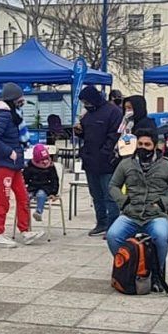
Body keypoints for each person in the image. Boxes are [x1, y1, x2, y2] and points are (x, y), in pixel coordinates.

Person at [107, 127, 168, 289]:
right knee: (113, 235)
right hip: (131, 213)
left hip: (155, 215)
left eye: (147, 144)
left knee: (161, 236)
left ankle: (156, 273)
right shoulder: (126, 163)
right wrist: (124, 202)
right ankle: (129, 265)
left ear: (155, 146)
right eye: (140, 144)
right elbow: (113, 185)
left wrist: (163, 203)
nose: (142, 147)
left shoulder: (167, 165)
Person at [0, 83, 43, 246]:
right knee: (3, 199)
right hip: (2, 163)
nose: (22, 101)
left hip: (14, 164)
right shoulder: (4, 115)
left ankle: (25, 230)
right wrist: (9, 152)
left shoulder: (13, 114)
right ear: (13, 99)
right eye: (20, 99)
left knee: (23, 196)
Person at [75, 86, 123, 236]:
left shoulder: (113, 112)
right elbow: (87, 134)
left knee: (110, 195)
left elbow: (114, 135)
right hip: (90, 160)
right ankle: (101, 223)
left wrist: (105, 153)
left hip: (107, 161)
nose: (85, 105)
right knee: (96, 195)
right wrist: (79, 132)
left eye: (86, 101)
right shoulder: (87, 115)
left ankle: (113, 226)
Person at [24, 144, 60, 223]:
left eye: (46, 159)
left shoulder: (50, 165)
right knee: (26, 197)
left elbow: (55, 180)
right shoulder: (30, 165)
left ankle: (38, 212)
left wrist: (54, 192)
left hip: (45, 187)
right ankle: (24, 215)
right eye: (42, 160)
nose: (44, 162)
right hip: (32, 186)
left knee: (40, 194)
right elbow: (25, 178)